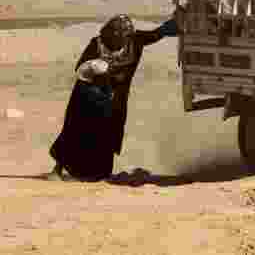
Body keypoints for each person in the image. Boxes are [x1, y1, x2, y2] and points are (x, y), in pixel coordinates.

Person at [48, 15, 178, 181]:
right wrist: (98, 70)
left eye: (126, 35)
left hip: (115, 99)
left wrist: (178, 22)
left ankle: (99, 174)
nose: (123, 39)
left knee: (108, 135)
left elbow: (158, 33)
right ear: (111, 33)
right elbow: (81, 68)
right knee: (75, 131)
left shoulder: (135, 41)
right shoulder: (97, 44)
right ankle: (57, 169)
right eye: (120, 35)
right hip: (88, 96)